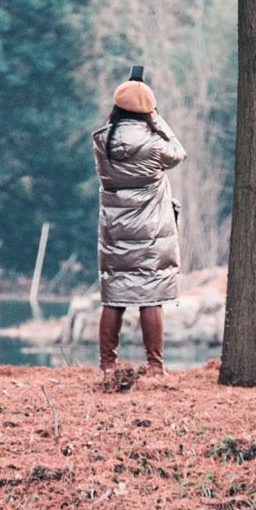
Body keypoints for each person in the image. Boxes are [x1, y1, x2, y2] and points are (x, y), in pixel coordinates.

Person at [92, 72, 187, 373]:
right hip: (150, 231)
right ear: (149, 111)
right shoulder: (154, 144)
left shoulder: (101, 142)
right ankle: (155, 366)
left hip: (115, 228)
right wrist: (160, 123)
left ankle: (107, 364)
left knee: (115, 296)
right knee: (151, 296)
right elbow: (179, 154)